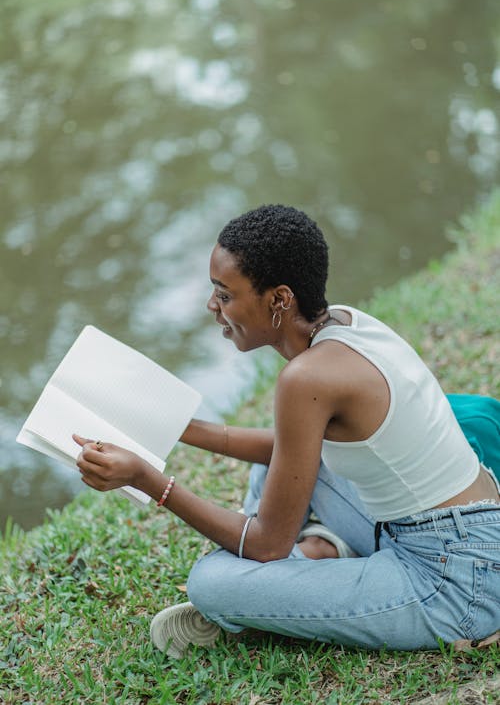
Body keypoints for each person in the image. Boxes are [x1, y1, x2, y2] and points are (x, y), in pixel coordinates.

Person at [73, 204, 500, 659]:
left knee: (210, 583)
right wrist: (177, 426)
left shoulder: (306, 379)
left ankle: (287, 580)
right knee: (277, 473)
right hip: (459, 525)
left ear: (279, 300)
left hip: (454, 581)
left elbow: (266, 544)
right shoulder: (343, 322)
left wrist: (147, 479)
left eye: (224, 294)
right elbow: (294, 448)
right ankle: (320, 555)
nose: (211, 306)